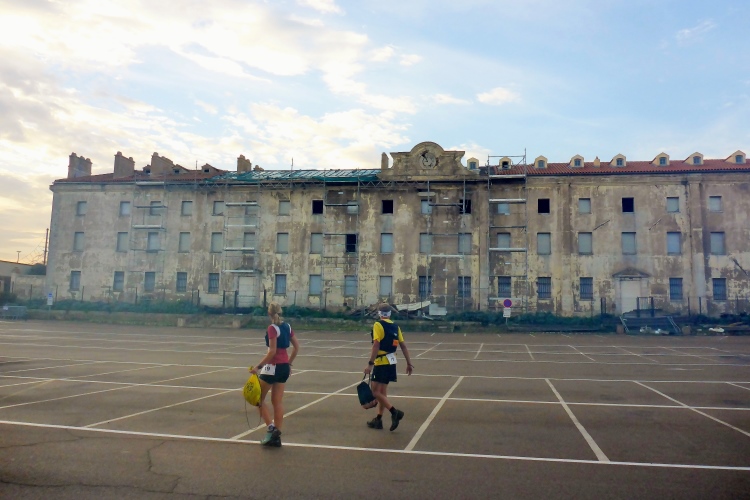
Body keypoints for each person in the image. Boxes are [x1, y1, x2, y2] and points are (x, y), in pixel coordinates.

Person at [249, 302, 299, 447]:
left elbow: (272, 351)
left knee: (258, 398)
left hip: (272, 368)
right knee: (277, 402)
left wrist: (258, 367)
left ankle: (271, 428)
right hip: (284, 368)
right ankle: (277, 434)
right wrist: (289, 363)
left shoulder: (272, 328)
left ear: (269, 313)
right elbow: (296, 347)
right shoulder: (287, 326)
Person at [364, 303, 413, 431]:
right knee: (382, 393)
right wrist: (409, 363)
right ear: (390, 313)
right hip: (391, 362)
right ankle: (378, 420)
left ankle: (394, 412)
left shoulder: (378, 325)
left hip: (381, 362)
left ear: (379, 313)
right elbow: (403, 346)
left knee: (375, 392)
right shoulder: (395, 326)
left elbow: (376, 345)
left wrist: (370, 364)